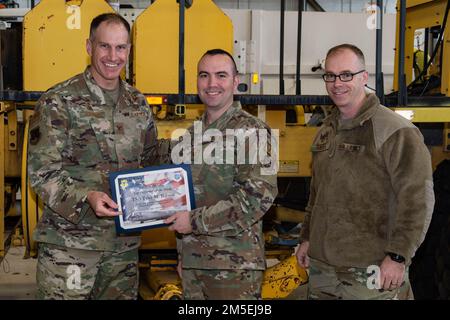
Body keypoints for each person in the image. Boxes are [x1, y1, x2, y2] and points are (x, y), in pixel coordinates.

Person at [27, 13, 158, 299]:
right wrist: (87, 196)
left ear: (129, 51)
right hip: (70, 248)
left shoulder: (138, 104)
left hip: (122, 250)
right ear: (89, 47)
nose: (113, 56)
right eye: (104, 46)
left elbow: (150, 164)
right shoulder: (58, 101)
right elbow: (42, 174)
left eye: (121, 47)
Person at [295, 44, 434, 300]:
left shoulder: (394, 131)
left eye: (346, 74)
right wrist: (307, 237)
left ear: (364, 77)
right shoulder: (326, 130)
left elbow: (417, 200)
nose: (338, 83)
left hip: (371, 273)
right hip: (323, 271)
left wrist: (398, 255)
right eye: (330, 75)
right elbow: (318, 194)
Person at [164, 49, 278, 300]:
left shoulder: (253, 132)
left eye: (221, 75)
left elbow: (257, 199)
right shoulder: (190, 136)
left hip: (235, 269)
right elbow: (185, 198)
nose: (212, 83)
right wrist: (185, 256)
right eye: (204, 75)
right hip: (195, 265)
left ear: (235, 82)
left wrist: (193, 222)